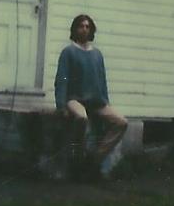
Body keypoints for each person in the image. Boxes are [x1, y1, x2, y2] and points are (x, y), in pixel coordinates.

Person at [54, 14, 128, 177]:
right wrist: (61, 106)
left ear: (91, 30)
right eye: (81, 26)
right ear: (75, 29)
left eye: (88, 27)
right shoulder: (68, 52)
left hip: (97, 102)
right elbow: (61, 80)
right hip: (75, 99)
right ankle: (78, 159)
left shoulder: (97, 54)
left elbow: (102, 80)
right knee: (82, 118)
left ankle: (93, 161)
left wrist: (106, 101)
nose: (84, 29)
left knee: (121, 122)